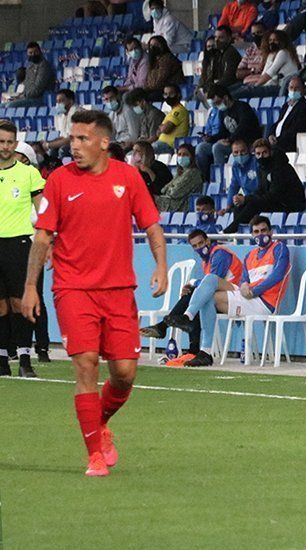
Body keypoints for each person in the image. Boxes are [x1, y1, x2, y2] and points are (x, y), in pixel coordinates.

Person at [23, 109, 168, 477]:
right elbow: (42, 237)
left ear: (104, 142)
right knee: (86, 364)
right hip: (73, 289)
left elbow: (151, 226)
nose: (74, 145)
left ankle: (98, 424)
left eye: (82, 139)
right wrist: (30, 287)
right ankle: (94, 455)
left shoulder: (128, 177)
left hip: (119, 290)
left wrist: (161, 265)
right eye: (72, 138)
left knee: (124, 373)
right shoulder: (58, 180)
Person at [165, 216, 288, 367]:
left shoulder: (279, 248)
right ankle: (198, 338)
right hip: (247, 296)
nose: (260, 235)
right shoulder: (250, 255)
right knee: (210, 281)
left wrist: (254, 290)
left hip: (264, 302)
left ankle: (200, 343)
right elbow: (244, 279)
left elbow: (278, 275)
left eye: (263, 230)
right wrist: (243, 285)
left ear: (271, 232)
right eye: (256, 232)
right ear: (252, 235)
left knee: (209, 294)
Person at [140, 229, 244, 365]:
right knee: (196, 298)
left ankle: (165, 328)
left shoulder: (220, 254)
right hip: (221, 298)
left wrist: (192, 283)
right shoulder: (206, 262)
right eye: (195, 246)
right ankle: (189, 349)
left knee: (196, 297)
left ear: (208, 241)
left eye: (201, 243)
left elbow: (213, 281)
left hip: (234, 299)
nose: (199, 248)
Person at [0, 121, 44, 377]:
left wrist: (48, 241)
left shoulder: (29, 174)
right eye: (1, 142)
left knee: (21, 303)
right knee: (1, 307)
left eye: (9, 142)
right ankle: (3, 359)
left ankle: (26, 358)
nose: (5, 147)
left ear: (16, 145)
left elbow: (44, 212)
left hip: (19, 244)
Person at [11, 141, 50, 364]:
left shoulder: (34, 181)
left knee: (36, 296)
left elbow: (40, 214)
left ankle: (42, 346)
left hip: (33, 244)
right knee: (11, 298)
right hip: (12, 244)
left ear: (25, 158)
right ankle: (14, 346)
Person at [222, 139, 305, 232]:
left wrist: (247, 199)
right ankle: (239, 234)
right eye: (258, 154)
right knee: (239, 207)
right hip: (277, 202)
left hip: (289, 204)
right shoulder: (264, 168)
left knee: (254, 204)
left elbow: (274, 195)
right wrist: (244, 199)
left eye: (264, 153)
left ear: (270, 152)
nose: (261, 156)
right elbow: (261, 190)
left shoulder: (280, 168)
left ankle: (229, 231)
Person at [196, 85, 263, 183]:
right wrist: (211, 138)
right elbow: (223, 132)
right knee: (201, 147)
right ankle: (206, 180)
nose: (217, 106)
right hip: (232, 142)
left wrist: (230, 140)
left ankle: (221, 180)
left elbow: (243, 128)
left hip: (246, 143)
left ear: (226, 97)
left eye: (218, 102)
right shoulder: (223, 112)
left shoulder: (242, 107)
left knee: (217, 148)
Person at [238, 30, 302, 98]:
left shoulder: (284, 52)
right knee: (237, 87)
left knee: (246, 91)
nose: (272, 43)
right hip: (269, 85)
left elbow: (270, 74)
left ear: (282, 41)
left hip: (281, 88)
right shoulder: (271, 55)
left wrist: (255, 87)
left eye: (275, 40)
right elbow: (263, 74)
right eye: (270, 40)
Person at [268, 77, 306, 153]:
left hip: (288, 145)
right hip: (277, 143)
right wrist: (271, 135)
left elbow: (297, 130)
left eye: (297, 88)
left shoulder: (305, 108)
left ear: (303, 90)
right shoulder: (286, 106)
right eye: (291, 87)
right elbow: (278, 123)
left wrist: (278, 140)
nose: (293, 90)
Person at [4, 43, 55, 108]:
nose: (33, 54)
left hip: (40, 99)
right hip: (28, 97)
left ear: (40, 52)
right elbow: (27, 84)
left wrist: (25, 95)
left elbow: (38, 88)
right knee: (2, 106)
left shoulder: (44, 66)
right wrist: (20, 96)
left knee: (10, 106)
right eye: (30, 53)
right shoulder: (30, 66)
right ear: (27, 54)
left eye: (35, 52)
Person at [155, 144, 202, 212]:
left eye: (185, 154)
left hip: (181, 206)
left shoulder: (193, 173)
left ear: (192, 157)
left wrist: (171, 188)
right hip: (171, 203)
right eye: (179, 154)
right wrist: (172, 187)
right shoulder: (180, 173)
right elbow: (163, 190)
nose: (182, 157)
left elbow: (175, 193)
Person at [200, 26, 242, 96]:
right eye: (216, 37)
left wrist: (214, 87)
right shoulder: (217, 54)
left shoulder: (230, 52)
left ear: (229, 39)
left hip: (231, 87)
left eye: (221, 38)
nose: (216, 40)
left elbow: (229, 77)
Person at [144, 35, 185, 101]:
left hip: (170, 90)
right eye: (151, 45)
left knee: (148, 97)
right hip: (156, 88)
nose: (153, 47)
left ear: (162, 45)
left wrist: (149, 87)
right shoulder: (153, 61)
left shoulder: (167, 59)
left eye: (156, 45)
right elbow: (148, 79)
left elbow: (160, 79)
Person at [153, 85, 190, 154]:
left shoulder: (179, 110)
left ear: (178, 95)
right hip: (161, 144)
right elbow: (158, 132)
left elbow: (165, 129)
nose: (168, 97)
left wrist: (162, 127)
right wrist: (162, 128)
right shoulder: (171, 112)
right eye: (166, 94)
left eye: (171, 94)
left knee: (144, 153)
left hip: (170, 146)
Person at [43, 90, 78, 159]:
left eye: (61, 101)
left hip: (78, 142)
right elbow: (63, 136)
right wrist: (48, 142)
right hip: (68, 141)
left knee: (63, 149)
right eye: (57, 101)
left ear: (70, 101)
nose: (58, 104)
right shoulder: (61, 116)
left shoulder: (77, 114)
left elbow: (71, 138)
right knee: (52, 150)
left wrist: (49, 145)